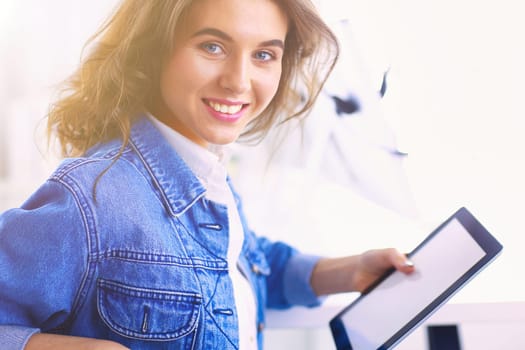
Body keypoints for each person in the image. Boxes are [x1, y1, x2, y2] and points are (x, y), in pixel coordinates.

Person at [0, 0, 415, 349]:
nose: (238, 81)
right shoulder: (91, 194)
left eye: (264, 55)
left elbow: (242, 261)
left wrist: (348, 271)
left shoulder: (207, 176)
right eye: (213, 46)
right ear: (153, 50)